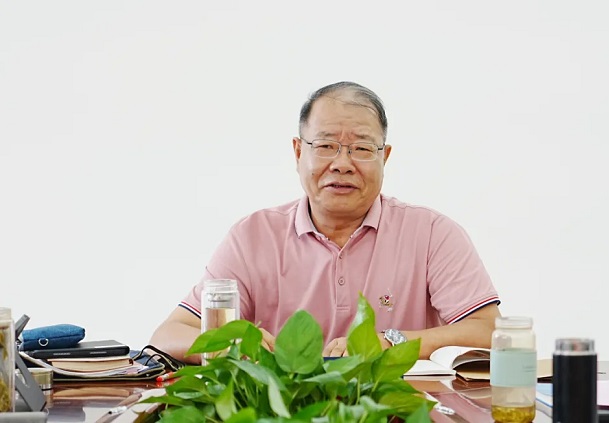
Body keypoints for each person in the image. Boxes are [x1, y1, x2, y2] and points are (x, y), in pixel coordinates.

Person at [150, 81, 501, 364]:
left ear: (385, 157)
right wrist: (232, 344)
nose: (342, 164)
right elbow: (170, 334)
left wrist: (392, 342)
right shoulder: (253, 236)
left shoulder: (432, 234)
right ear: (298, 151)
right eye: (326, 146)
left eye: (362, 148)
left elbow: (489, 332)